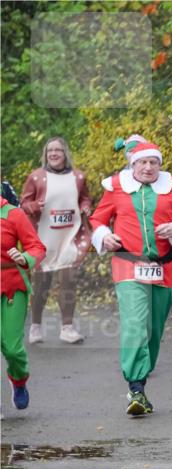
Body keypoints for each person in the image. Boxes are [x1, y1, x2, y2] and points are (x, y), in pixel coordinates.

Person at [88, 141, 172, 416]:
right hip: (127, 265)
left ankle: (141, 381)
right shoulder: (116, 189)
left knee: (153, 330)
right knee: (135, 323)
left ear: (159, 165)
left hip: (163, 267)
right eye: (142, 162)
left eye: (153, 163)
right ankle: (136, 387)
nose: (148, 168)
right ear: (132, 164)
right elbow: (97, 220)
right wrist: (104, 236)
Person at [19, 137, 93, 344]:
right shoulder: (36, 177)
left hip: (69, 236)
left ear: (65, 153)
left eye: (58, 150)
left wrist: (86, 206)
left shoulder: (78, 176)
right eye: (50, 150)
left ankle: (67, 328)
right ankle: (35, 326)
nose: (53, 153)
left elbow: (85, 197)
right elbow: (24, 202)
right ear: (45, 154)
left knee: (68, 281)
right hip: (43, 237)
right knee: (42, 283)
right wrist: (34, 207)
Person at [1, 196, 46, 409]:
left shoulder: (13, 214)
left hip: (12, 286)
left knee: (12, 348)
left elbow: (37, 247)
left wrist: (24, 258)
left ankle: (19, 380)